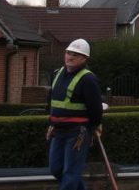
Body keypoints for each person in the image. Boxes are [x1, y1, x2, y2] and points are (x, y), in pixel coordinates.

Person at [47, 38, 104, 190]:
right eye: (68, 53)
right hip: (58, 130)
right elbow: (51, 101)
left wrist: (95, 125)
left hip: (78, 132)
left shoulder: (88, 79)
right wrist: (51, 122)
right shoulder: (56, 74)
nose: (70, 57)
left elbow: (95, 108)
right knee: (55, 168)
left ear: (84, 59)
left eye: (75, 55)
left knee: (71, 172)